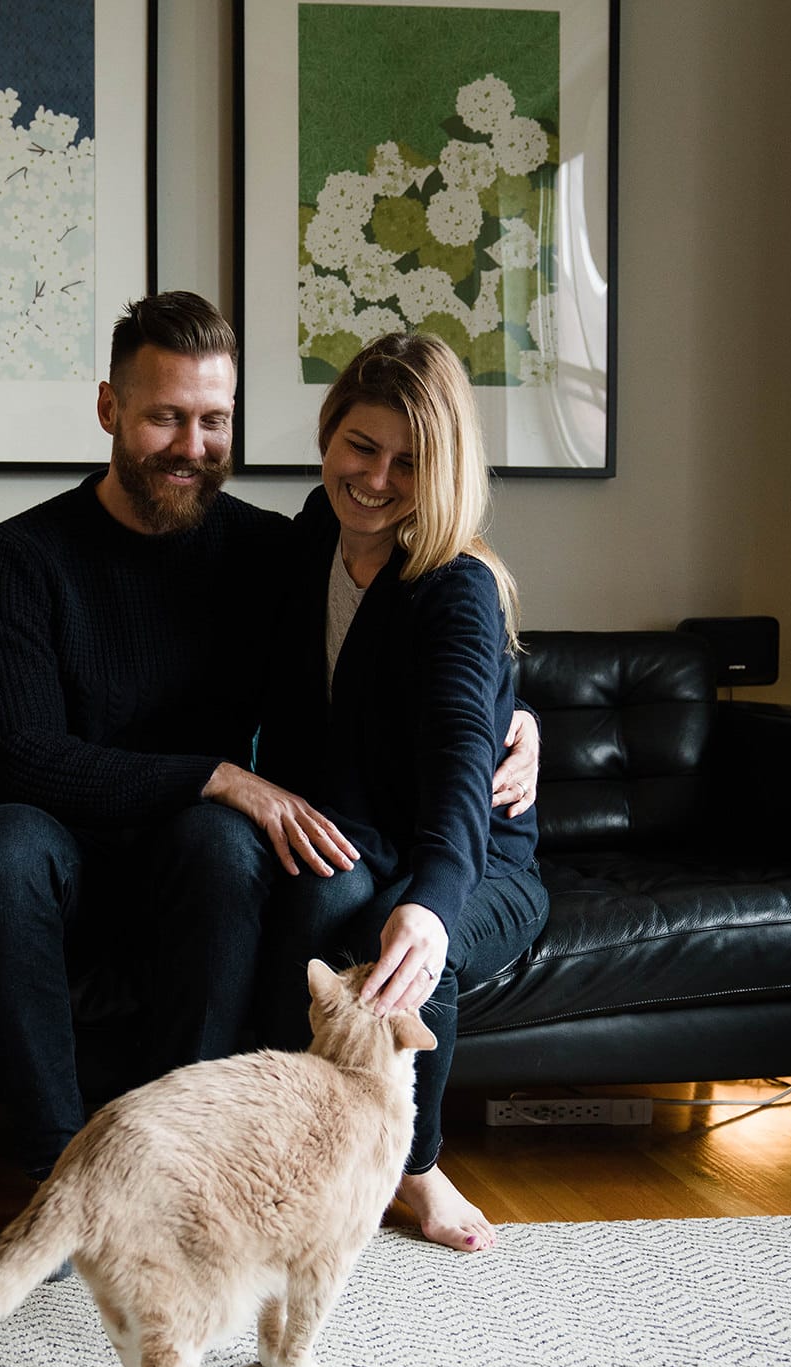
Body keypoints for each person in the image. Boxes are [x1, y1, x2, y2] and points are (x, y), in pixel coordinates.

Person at [0, 292, 541, 1183]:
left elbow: (444, 655)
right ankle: (56, 1167)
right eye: (165, 417)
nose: (192, 446)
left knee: (226, 841)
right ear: (110, 408)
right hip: (68, 849)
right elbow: (15, 751)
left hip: (202, 855)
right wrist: (220, 774)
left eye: (214, 421)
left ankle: (175, 1156)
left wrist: (520, 722)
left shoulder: (269, 549)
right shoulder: (18, 558)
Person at [254, 332, 549, 1254]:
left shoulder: (457, 587)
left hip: (480, 861)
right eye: (361, 445)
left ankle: (415, 1166)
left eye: (409, 462)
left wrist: (431, 903)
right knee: (320, 904)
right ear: (328, 433)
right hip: (368, 834)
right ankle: (280, 1145)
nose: (376, 478)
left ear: (443, 467)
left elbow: (462, 758)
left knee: (412, 945)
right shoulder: (310, 537)